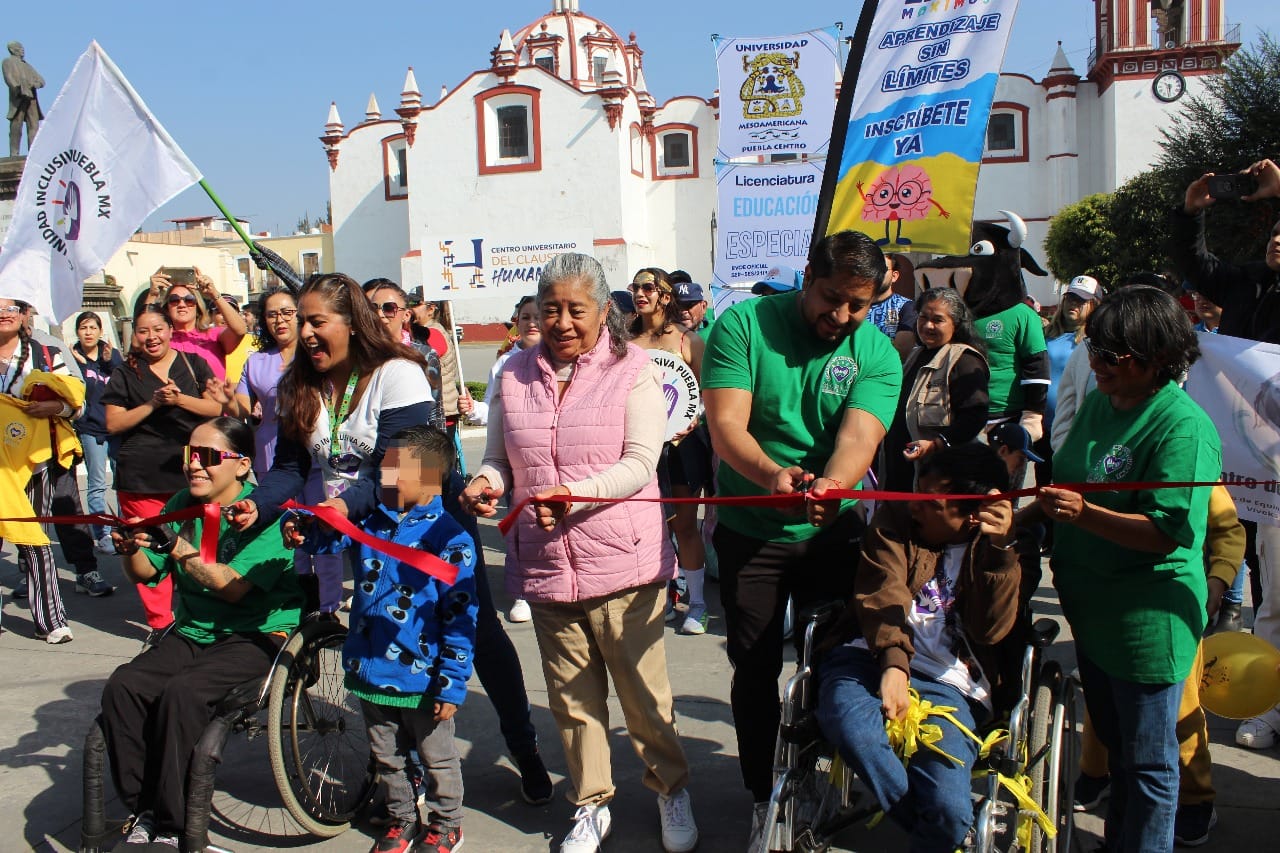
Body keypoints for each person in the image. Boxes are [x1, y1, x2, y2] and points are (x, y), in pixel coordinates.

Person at [461, 252, 697, 853]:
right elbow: (498, 457)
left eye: (576, 309)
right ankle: (591, 800)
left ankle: (671, 788)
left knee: (644, 698)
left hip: (622, 560)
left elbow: (642, 462)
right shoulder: (512, 373)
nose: (563, 322)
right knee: (572, 699)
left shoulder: (633, 369)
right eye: (551, 309)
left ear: (602, 311)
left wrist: (575, 496)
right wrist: (488, 484)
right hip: (545, 563)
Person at [701, 230, 903, 846]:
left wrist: (831, 488)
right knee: (755, 669)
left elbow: (858, 441)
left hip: (829, 532)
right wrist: (773, 477)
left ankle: (819, 766)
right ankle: (764, 791)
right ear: (807, 275)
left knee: (833, 666)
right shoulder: (742, 325)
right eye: (832, 299)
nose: (840, 317)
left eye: (858, 306)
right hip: (749, 529)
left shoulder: (877, 353)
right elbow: (725, 426)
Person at [1028, 285, 1218, 851]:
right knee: (1114, 742)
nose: (1097, 364)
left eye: (1113, 356)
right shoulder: (1098, 404)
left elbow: (1167, 532)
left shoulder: (1180, 426)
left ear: (1158, 357)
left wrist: (1086, 514)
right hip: (1092, 612)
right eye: (1095, 351)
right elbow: (1065, 480)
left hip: (1145, 622)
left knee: (1149, 763)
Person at [100, 417, 303, 849]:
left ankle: (176, 826)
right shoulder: (180, 502)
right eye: (190, 455)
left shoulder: (267, 516)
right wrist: (130, 548)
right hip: (194, 629)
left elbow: (232, 588)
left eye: (207, 457)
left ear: (243, 465)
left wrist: (172, 544)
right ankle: (145, 809)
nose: (194, 465)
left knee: (184, 694)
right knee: (124, 686)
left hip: (256, 633)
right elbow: (147, 573)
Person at [816, 444, 1018, 850]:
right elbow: (882, 593)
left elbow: (991, 631)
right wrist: (893, 665)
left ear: (973, 513)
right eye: (917, 491)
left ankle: (941, 826)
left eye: (932, 502)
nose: (916, 506)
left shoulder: (1008, 547)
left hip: (951, 682)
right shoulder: (894, 520)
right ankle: (934, 824)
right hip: (868, 655)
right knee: (856, 731)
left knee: (947, 810)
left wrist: (1000, 555)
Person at [285, 426, 476, 853]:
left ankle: (448, 823)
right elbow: (327, 536)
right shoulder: (371, 520)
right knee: (387, 756)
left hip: (423, 679)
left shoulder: (450, 540)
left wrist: (452, 682)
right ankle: (402, 818)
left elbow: (462, 618)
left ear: (429, 475)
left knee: (437, 759)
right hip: (370, 669)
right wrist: (301, 528)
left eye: (394, 465)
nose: (384, 472)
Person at [1171, 157, 1280, 750]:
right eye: (1275, 231)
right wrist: (1191, 214)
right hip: (1249, 463)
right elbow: (1196, 265)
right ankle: (1268, 701)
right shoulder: (1244, 284)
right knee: (1267, 583)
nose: (1278, 241)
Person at [229, 272, 434, 548]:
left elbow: (404, 475)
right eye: (302, 322)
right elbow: (289, 468)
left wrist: (340, 505)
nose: (304, 333)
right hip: (361, 531)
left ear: (352, 324)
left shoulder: (399, 375)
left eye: (317, 322)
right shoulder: (296, 385)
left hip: (421, 533)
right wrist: (257, 504)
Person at [204, 288, 346, 616]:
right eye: (271, 314)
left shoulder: (316, 357)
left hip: (318, 459)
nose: (279, 320)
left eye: (286, 312)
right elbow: (242, 406)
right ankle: (297, 602)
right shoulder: (256, 362)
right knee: (288, 538)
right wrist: (226, 400)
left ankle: (327, 608)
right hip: (274, 459)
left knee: (323, 534)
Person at [104, 306, 222, 640]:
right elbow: (113, 423)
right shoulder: (126, 373)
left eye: (158, 329)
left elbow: (215, 408)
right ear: (134, 335)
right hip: (142, 473)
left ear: (170, 329)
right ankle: (160, 624)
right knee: (149, 544)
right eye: (143, 331)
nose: (151, 337)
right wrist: (153, 404)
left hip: (195, 468)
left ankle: (210, 609)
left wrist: (180, 399)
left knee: (203, 544)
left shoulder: (193, 363)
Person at [627, 267, 711, 635]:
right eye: (635, 287)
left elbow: (711, 392)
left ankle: (698, 603)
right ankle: (663, 597)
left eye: (648, 287)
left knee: (686, 525)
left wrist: (696, 417)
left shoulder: (687, 340)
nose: (640, 293)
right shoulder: (623, 343)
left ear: (664, 295)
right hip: (640, 446)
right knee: (652, 527)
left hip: (682, 446)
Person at [0, 296, 83, 642]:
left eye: (10, 309)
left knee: (34, 538)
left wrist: (56, 406)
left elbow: (76, 403)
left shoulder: (46, 353)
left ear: (23, 315)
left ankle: (50, 619)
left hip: (33, 461)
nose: (3, 315)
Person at [879, 287, 989, 492]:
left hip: (935, 481)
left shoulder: (964, 360)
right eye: (923, 317)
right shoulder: (915, 355)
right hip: (899, 476)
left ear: (955, 324)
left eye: (938, 320)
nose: (928, 325)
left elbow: (975, 416)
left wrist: (936, 444)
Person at [484, 295, 541, 624]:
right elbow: (492, 412)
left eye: (538, 315)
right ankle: (521, 591)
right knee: (518, 524)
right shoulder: (504, 364)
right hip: (515, 456)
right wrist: (473, 408)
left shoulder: (562, 359)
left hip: (548, 456)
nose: (531, 322)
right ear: (516, 324)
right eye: (524, 317)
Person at [71, 311, 124, 559]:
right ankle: (101, 533)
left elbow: (123, 384)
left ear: (100, 330)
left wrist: (110, 362)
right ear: (77, 332)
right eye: (84, 327)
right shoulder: (72, 358)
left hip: (116, 427)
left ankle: (125, 529)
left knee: (123, 480)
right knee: (96, 484)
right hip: (91, 428)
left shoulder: (111, 355)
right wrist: (79, 366)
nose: (89, 332)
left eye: (93, 327)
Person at [144, 268, 247, 381]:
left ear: (198, 307)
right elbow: (140, 338)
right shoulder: (161, 339)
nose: (182, 304)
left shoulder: (213, 335)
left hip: (213, 398)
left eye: (189, 299)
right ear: (167, 308)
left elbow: (240, 330)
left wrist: (213, 293)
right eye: (174, 300)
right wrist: (152, 295)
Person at [866, 253, 918, 359]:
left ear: (894, 276)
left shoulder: (906, 307)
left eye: (882, 269)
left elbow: (902, 350)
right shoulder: (851, 303)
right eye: (872, 268)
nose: (876, 273)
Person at [4, 41, 43, 157]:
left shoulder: (27, 65)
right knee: (16, 124)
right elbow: (8, 78)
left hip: (31, 98)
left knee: (33, 125)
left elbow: (41, 80)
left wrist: (35, 84)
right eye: (19, 48)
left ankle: (33, 153)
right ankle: (14, 153)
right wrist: (18, 89)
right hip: (18, 97)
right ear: (12, 50)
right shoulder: (8, 62)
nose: (22, 50)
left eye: (22, 47)